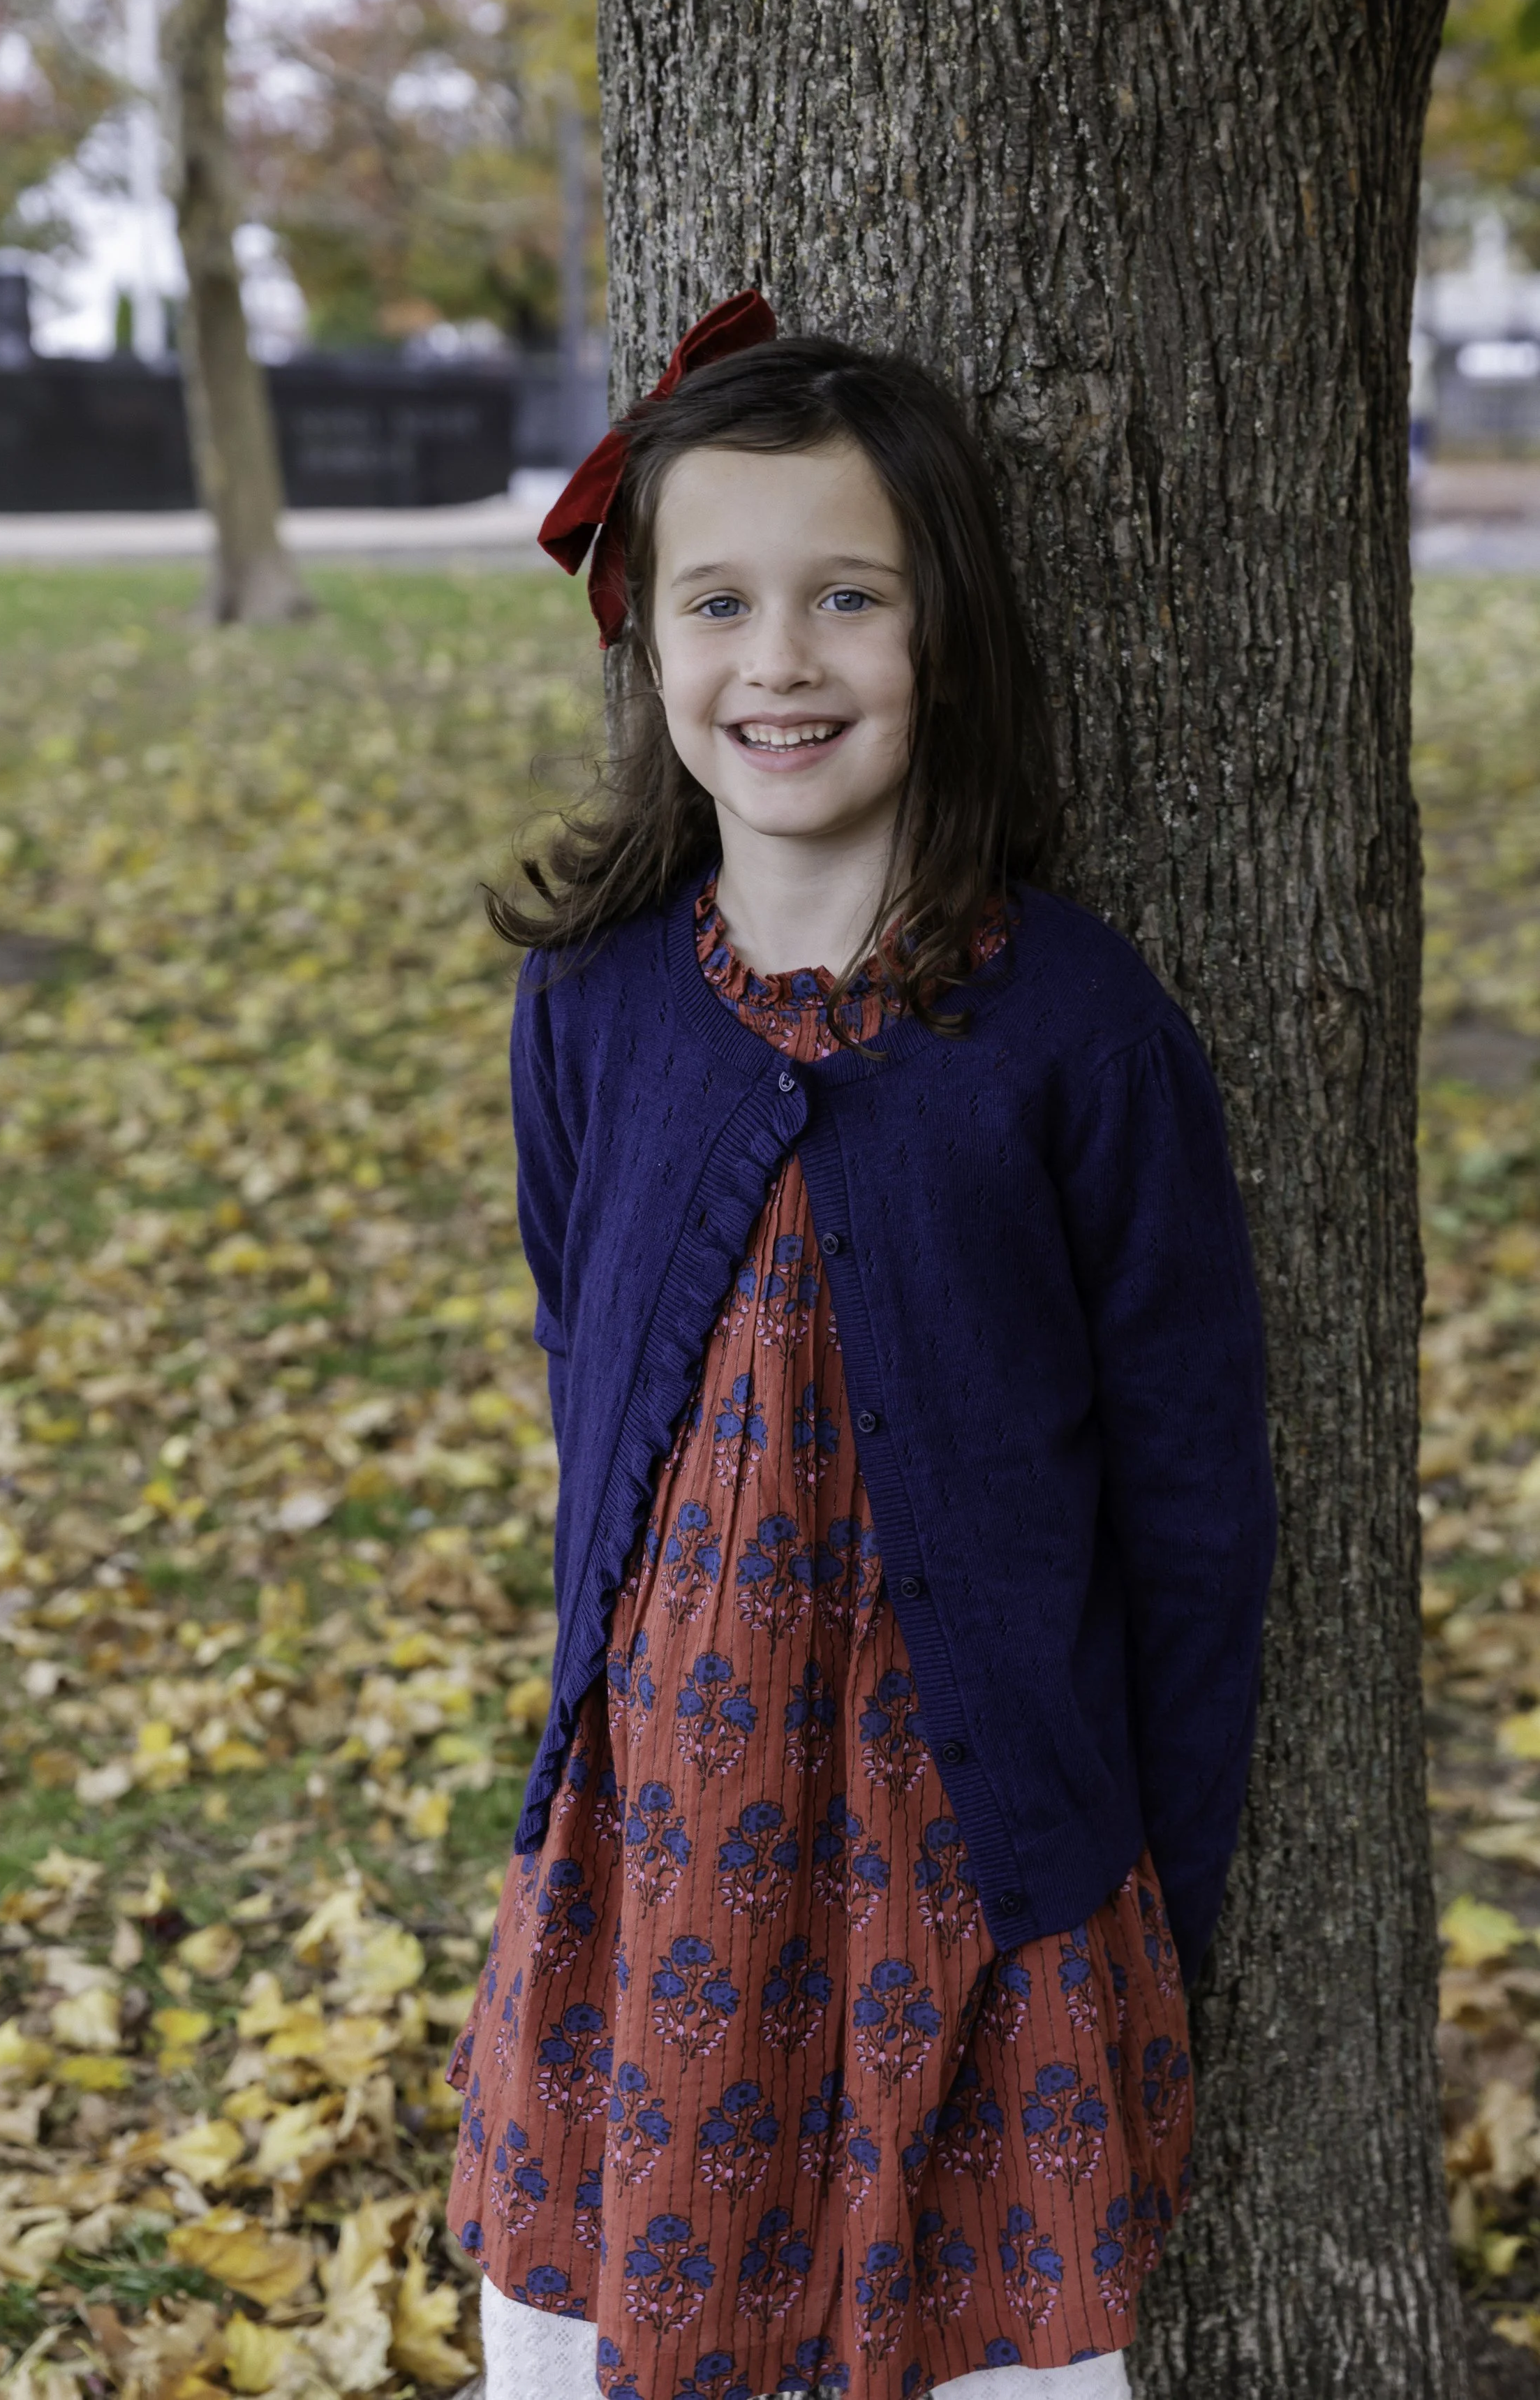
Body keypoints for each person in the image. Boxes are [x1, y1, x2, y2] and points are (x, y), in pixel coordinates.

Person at [443, 294, 1278, 2400]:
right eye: (719, 599)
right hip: (674, 1832)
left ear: (945, 638)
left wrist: (1132, 1871)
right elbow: (586, 1365)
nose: (781, 659)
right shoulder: (594, 1007)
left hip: (974, 1851)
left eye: (846, 598)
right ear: (649, 641)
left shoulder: (1078, 1034)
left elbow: (1192, 1497)